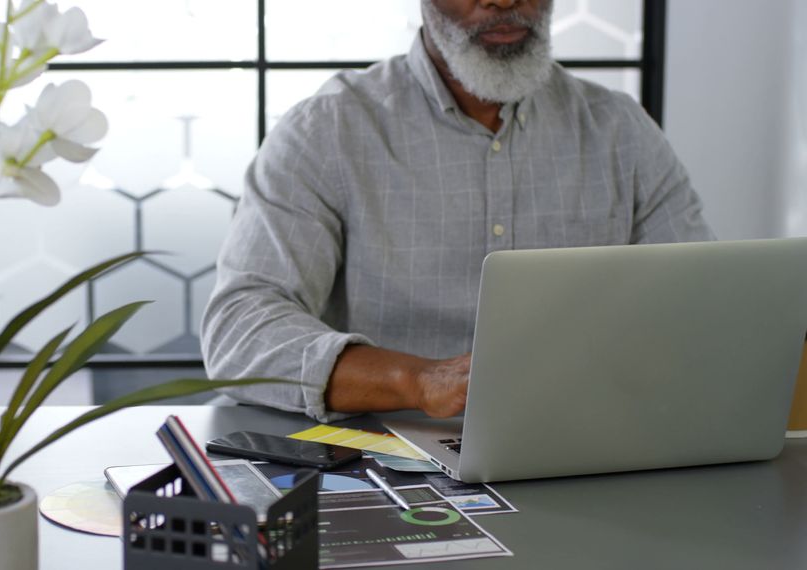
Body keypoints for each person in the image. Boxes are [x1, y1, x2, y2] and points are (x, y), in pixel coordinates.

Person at [201, 0, 714, 423]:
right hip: (384, 462)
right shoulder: (328, 129)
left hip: (586, 446)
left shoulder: (621, 131)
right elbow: (241, 331)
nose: (504, 2)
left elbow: (702, 306)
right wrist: (416, 380)